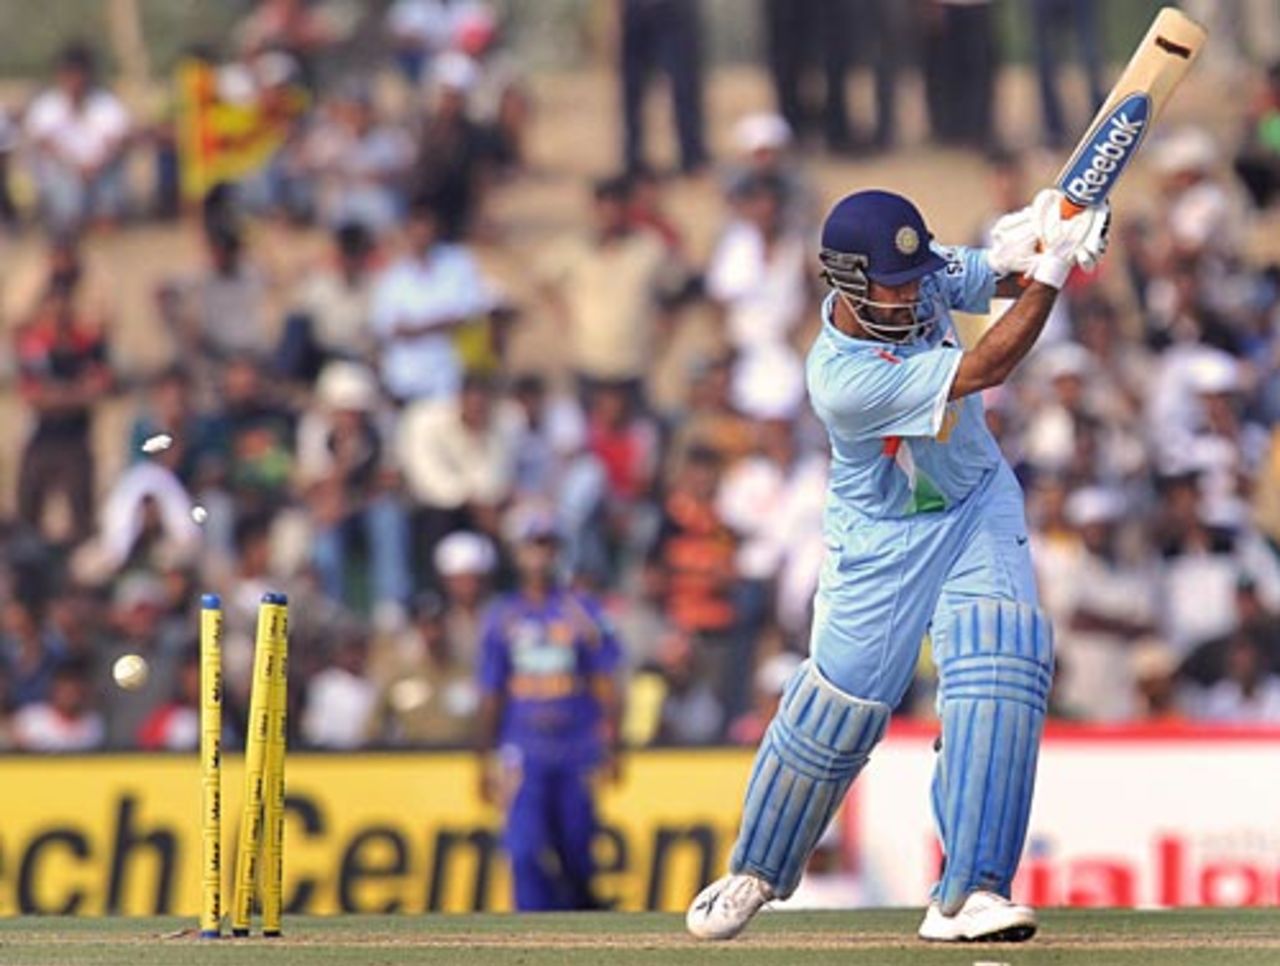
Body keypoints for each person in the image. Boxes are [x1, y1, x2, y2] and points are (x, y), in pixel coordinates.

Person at [686, 186, 1109, 943]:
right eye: (892, 281)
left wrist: (1045, 241)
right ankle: (755, 868)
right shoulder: (839, 379)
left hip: (975, 501)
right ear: (846, 279)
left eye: (916, 276)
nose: (911, 293)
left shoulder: (916, 273)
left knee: (1001, 667)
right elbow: (985, 367)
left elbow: (994, 278)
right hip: (881, 537)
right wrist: (1052, 273)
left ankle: (971, 892)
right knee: (837, 716)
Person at [475, 505, 622, 911]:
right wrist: (482, 760)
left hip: (577, 749)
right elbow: (491, 692)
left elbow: (607, 681)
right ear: (517, 553)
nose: (540, 556)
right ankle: (531, 941)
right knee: (523, 852)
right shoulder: (502, 616)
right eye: (532, 546)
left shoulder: (583, 611)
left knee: (577, 853)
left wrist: (614, 745)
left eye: (548, 545)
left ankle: (584, 936)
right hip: (523, 750)